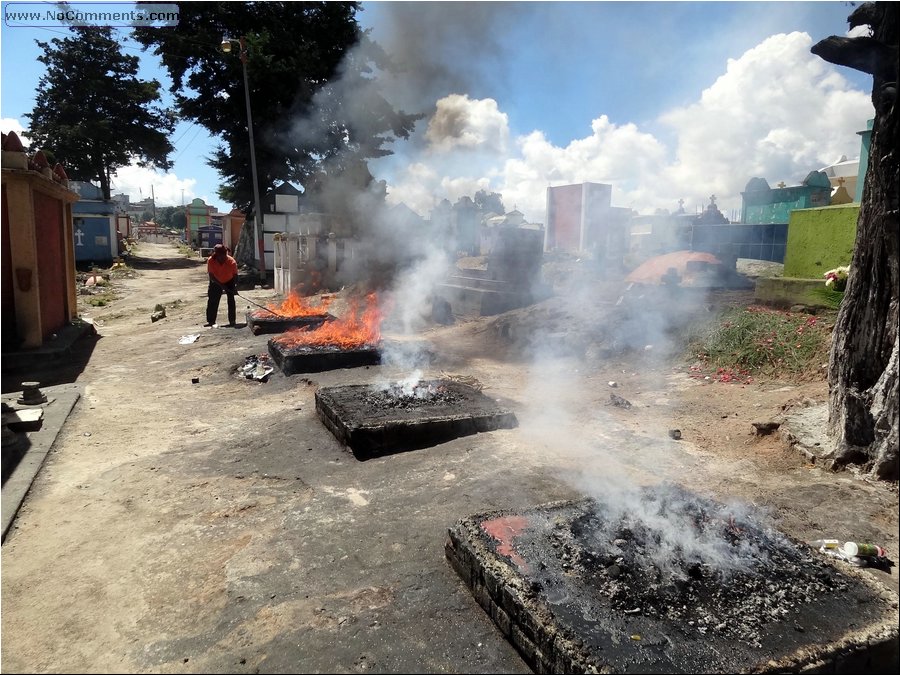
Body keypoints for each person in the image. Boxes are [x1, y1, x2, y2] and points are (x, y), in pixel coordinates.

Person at [206, 243, 238, 327]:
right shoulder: (211, 261)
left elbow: (235, 275)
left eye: (225, 255)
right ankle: (211, 321)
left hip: (229, 280)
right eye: (222, 255)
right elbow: (211, 276)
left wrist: (234, 287)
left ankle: (232, 320)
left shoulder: (231, 261)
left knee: (231, 300)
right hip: (215, 281)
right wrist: (221, 285)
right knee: (213, 300)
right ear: (217, 255)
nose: (224, 257)